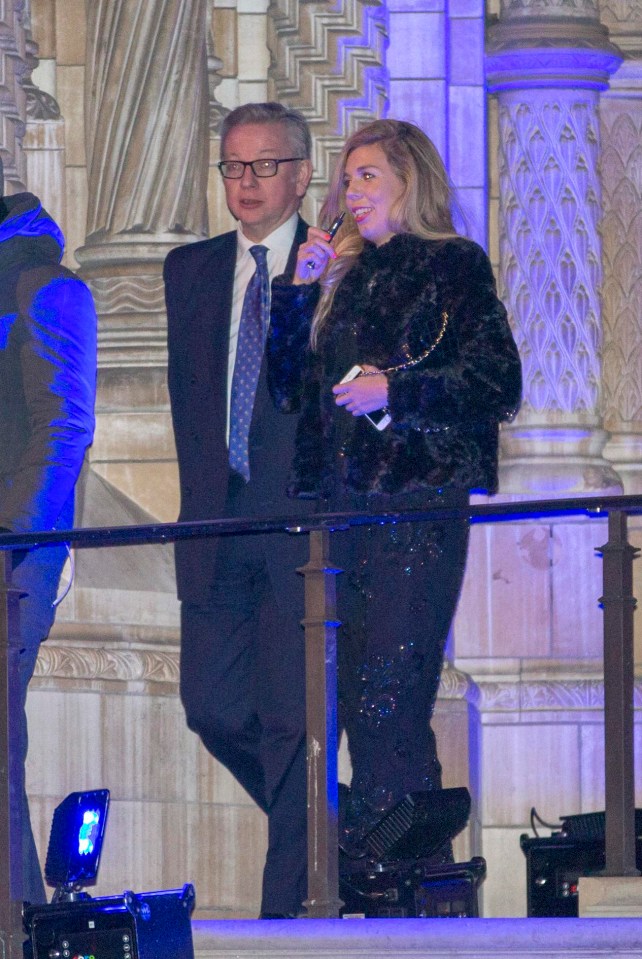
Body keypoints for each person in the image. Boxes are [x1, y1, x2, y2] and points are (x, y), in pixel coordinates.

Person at [268, 119, 522, 853]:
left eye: (368, 175)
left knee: (389, 700)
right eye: (347, 179)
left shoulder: (453, 265)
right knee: (356, 706)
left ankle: (396, 887)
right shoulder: (344, 276)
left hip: (413, 507)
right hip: (340, 512)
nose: (352, 192)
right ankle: (417, 881)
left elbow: (496, 380)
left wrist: (396, 392)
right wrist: (297, 292)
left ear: (412, 182)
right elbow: (289, 392)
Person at [164, 103, 315, 917]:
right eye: (233, 166)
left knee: (294, 725)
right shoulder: (188, 269)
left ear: (299, 173)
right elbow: (190, 402)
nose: (246, 182)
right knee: (212, 705)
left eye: (263, 166)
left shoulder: (331, 268)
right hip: (214, 525)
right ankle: (335, 828)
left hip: (298, 525)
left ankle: (287, 910)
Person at [0, 165, 97, 903]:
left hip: (14, 557)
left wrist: (12, 538)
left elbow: (64, 429)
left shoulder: (44, 285)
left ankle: (21, 920)